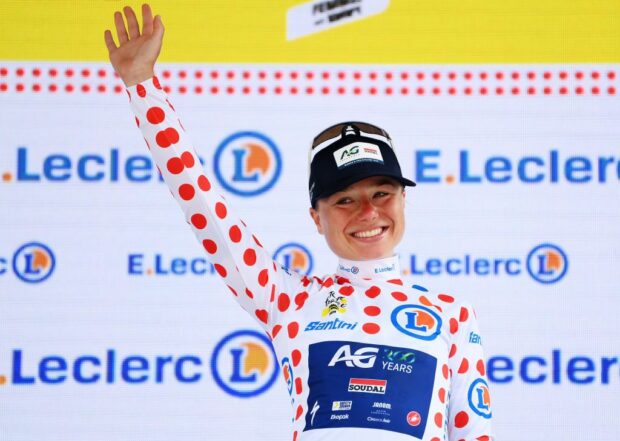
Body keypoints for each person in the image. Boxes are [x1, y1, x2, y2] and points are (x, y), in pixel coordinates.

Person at [104, 5, 494, 440]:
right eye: (344, 199)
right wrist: (142, 85)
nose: (368, 213)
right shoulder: (288, 299)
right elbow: (204, 207)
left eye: (382, 193)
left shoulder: (451, 315)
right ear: (316, 217)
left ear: (404, 199)